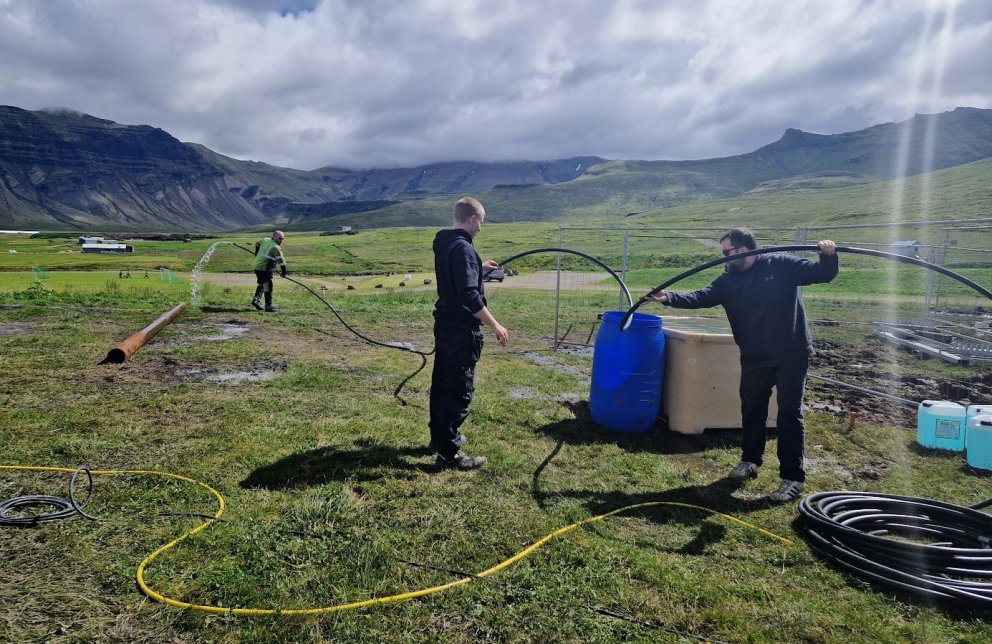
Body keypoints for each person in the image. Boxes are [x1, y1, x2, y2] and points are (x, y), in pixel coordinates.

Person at [647, 228, 838, 502]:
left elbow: (823, 274)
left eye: (727, 252)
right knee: (752, 408)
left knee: (788, 413)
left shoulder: (780, 265)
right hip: (755, 356)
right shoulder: (728, 281)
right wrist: (668, 298)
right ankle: (750, 460)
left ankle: (792, 477)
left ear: (744, 249)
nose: (724, 258)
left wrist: (828, 255)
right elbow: (701, 296)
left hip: (790, 353)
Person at [428, 197, 509, 471]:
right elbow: (468, 296)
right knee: (459, 389)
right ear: (472, 219)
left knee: (442, 383)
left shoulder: (446, 244)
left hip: (445, 326)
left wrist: (478, 268)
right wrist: (495, 325)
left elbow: (457, 278)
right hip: (461, 330)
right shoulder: (463, 249)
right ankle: (448, 454)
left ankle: (438, 439)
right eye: (480, 222)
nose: (480, 228)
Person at [252, 230, 287, 312]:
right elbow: (281, 261)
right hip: (264, 268)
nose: (281, 241)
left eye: (282, 239)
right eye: (279, 239)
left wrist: (256, 252)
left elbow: (257, 243)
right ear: (274, 237)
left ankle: (256, 300)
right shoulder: (276, 247)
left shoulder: (265, 240)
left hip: (257, 266)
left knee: (262, 283)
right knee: (268, 286)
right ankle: (268, 306)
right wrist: (284, 272)